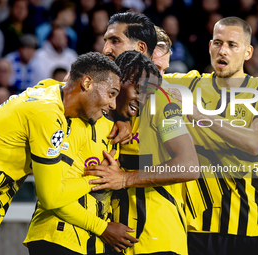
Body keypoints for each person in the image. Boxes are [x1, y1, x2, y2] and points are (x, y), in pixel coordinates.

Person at [0, 52, 121, 255]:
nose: (113, 105)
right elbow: (50, 197)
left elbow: (65, 82)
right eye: (111, 94)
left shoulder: (47, 91)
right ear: (87, 83)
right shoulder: (47, 114)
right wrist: (99, 178)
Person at [163, 16, 258, 255]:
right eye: (218, 43)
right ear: (210, 46)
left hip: (254, 227)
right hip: (198, 228)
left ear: (248, 52)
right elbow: (141, 81)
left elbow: (255, 143)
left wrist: (197, 114)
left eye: (232, 45)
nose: (223, 50)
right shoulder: (188, 85)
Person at [24, 51, 158, 255]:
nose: (143, 100)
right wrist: (101, 227)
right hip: (58, 237)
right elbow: (53, 195)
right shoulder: (77, 120)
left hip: (89, 243)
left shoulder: (116, 129)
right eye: (139, 90)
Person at [87, 13, 200, 255]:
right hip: (113, 236)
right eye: (105, 40)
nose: (106, 48)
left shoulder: (161, 98)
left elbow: (189, 165)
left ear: (139, 48)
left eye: (115, 41)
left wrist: (125, 179)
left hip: (156, 239)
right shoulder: (109, 99)